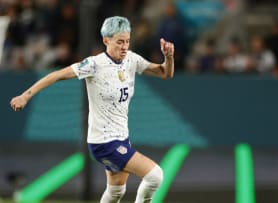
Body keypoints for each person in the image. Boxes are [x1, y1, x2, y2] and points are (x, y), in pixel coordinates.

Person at [10, 16, 174, 203]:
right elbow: (56, 75)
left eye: (127, 41)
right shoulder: (94, 65)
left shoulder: (131, 60)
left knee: (115, 193)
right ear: (106, 40)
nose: (124, 46)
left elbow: (165, 73)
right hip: (105, 142)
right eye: (119, 42)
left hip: (121, 138)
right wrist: (26, 95)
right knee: (155, 176)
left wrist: (168, 57)